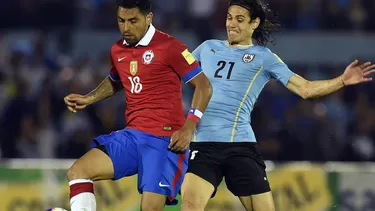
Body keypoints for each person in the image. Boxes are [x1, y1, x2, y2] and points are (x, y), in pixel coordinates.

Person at [180, 0, 375, 211]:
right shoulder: (207, 48)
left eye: (239, 19)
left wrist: (342, 81)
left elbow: (306, 89)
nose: (231, 24)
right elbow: (172, 71)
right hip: (204, 146)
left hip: (240, 146)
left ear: (254, 23)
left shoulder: (264, 57)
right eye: (229, 18)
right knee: (190, 206)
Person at [63, 0, 212, 210]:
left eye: (133, 21)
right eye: (121, 21)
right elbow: (115, 80)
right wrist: (89, 98)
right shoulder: (117, 50)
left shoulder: (171, 47)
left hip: (164, 141)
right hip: (132, 137)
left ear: (148, 18)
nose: (126, 28)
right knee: (78, 172)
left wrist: (189, 127)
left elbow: (204, 86)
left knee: (149, 208)